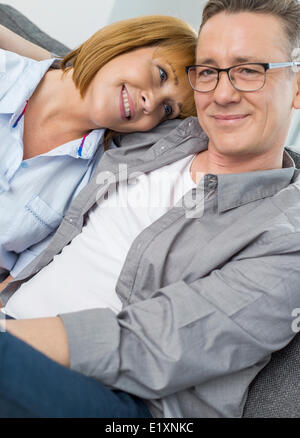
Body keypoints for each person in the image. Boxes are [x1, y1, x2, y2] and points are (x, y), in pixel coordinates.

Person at [0, 0, 300, 418]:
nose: (222, 93)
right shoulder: (161, 131)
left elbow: (155, 346)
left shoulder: (286, 235)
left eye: (250, 70)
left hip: (127, 404)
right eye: (209, 70)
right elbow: (82, 82)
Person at [0, 15, 197, 287]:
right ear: (128, 42)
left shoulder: (94, 187)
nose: (151, 102)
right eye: (161, 74)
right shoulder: (6, 72)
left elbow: (11, 288)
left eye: (167, 109)